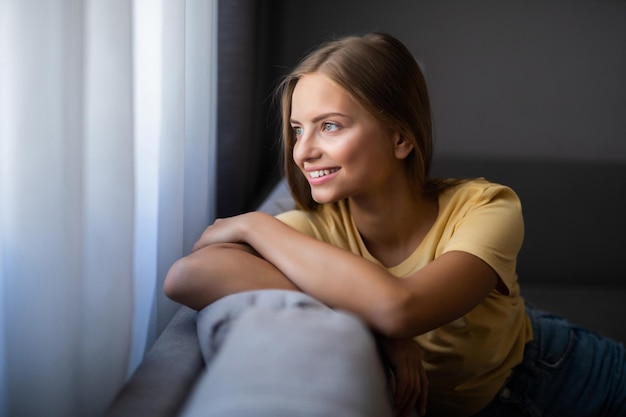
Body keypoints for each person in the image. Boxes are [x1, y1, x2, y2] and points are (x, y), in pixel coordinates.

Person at [164, 33, 625, 417]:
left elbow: (402, 309)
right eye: (298, 129)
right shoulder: (308, 231)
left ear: (401, 137)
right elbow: (186, 276)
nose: (302, 152)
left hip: (557, 374)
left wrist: (255, 227)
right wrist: (380, 332)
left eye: (330, 126)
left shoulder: (486, 207)